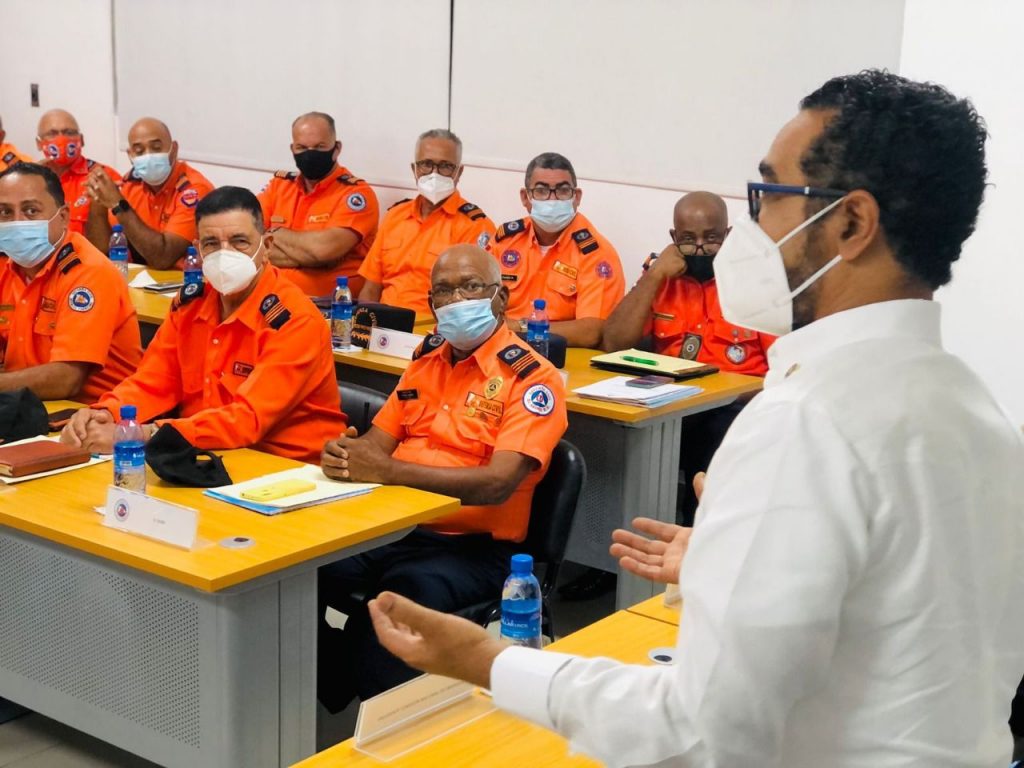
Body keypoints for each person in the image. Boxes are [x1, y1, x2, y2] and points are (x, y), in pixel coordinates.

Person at [363, 70, 1024, 766]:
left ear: (851, 224)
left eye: (769, 195)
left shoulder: (802, 422)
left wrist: (488, 661)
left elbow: (699, 730)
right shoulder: (981, 414)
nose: (751, 230)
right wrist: (730, 562)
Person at [317, 244, 567, 711]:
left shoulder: (532, 379)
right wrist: (346, 455)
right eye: (444, 292)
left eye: (470, 287)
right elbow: (377, 445)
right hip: (398, 527)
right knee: (299, 577)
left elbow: (497, 484)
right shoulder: (426, 358)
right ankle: (332, 683)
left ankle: (389, 715)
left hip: (476, 550)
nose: (456, 300)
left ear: (500, 298)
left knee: (391, 613)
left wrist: (388, 471)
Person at [61, 186, 345, 462]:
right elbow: (154, 381)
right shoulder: (190, 304)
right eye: (211, 244)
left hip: (287, 465)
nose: (225, 253)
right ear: (197, 249)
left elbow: (247, 420)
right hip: (207, 451)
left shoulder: (294, 320)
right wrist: (106, 413)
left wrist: (139, 433)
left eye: (239, 241)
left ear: (266, 246)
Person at [602, 191, 774, 524]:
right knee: (616, 439)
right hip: (670, 405)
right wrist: (655, 276)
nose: (699, 248)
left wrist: (724, 392)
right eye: (687, 240)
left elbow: (786, 372)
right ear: (673, 238)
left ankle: (696, 538)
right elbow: (614, 342)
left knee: (715, 437)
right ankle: (629, 539)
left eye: (711, 239)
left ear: (728, 235)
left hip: (734, 408)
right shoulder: (661, 278)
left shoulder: (757, 284)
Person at [0, 163, 141, 400]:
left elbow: (65, 380)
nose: (17, 222)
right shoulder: (7, 268)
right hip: (25, 403)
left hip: (92, 412)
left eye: (31, 210)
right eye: (5, 212)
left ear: (64, 216)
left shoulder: (89, 273)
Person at [490, 152, 624, 347]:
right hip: (498, 347)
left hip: (559, 353)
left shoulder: (597, 254)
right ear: (525, 198)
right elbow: (478, 303)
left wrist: (520, 327)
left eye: (562, 190)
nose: (552, 199)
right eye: (541, 190)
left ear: (576, 197)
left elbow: (591, 331)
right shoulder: (504, 241)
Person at [357, 129, 494, 314]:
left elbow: (472, 304)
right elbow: (371, 289)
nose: (434, 174)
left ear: (459, 172)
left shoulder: (474, 226)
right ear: (414, 169)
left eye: (445, 166)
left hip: (435, 327)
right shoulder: (394, 216)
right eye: (426, 164)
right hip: (383, 324)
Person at [258, 111, 379, 297]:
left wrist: (275, 233)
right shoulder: (279, 186)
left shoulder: (355, 195)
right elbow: (249, 242)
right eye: (301, 147)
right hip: (271, 296)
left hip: (329, 306)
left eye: (319, 147)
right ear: (292, 149)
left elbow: (323, 251)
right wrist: (310, 258)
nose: (310, 154)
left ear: (337, 148)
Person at [83, 117, 213, 268]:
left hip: (187, 279)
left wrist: (119, 205)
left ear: (174, 149)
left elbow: (163, 258)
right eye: (139, 151)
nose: (148, 156)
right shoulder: (131, 185)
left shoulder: (194, 191)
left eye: (156, 148)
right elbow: (102, 249)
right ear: (130, 155)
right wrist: (98, 203)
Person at [35, 109, 121, 237]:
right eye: (52, 134)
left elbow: (118, 236)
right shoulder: (32, 181)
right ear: (39, 143)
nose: (61, 139)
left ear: (81, 140)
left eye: (69, 133)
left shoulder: (104, 177)